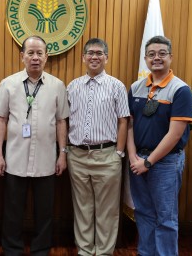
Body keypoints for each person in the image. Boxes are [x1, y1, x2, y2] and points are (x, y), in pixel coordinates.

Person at [0, 35, 68, 255]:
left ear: (46, 56)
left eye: (39, 53)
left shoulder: (57, 85)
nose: (35, 57)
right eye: (30, 53)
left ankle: (41, 250)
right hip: (15, 159)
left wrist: (62, 154)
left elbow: (62, 121)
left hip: (46, 159)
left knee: (44, 211)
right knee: (13, 210)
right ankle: (12, 250)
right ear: (22, 56)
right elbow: (1, 121)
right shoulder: (8, 84)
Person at [127, 35, 192, 256]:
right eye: (152, 54)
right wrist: (134, 157)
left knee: (165, 218)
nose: (157, 58)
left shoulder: (180, 89)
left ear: (171, 57)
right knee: (144, 213)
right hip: (138, 162)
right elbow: (128, 125)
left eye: (162, 54)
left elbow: (175, 135)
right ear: (145, 59)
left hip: (164, 163)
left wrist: (148, 161)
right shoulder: (136, 87)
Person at [66, 38, 130, 256]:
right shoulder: (72, 86)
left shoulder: (117, 86)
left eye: (99, 53)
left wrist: (119, 153)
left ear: (106, 57)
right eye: (90, 53)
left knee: (107, 210)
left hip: (107, 156)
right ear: (83, 57)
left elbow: (124, 120)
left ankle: (103, 253)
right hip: (77, 156)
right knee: (82, 209)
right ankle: (84, 251)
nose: (94, 56)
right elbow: (65, 121)